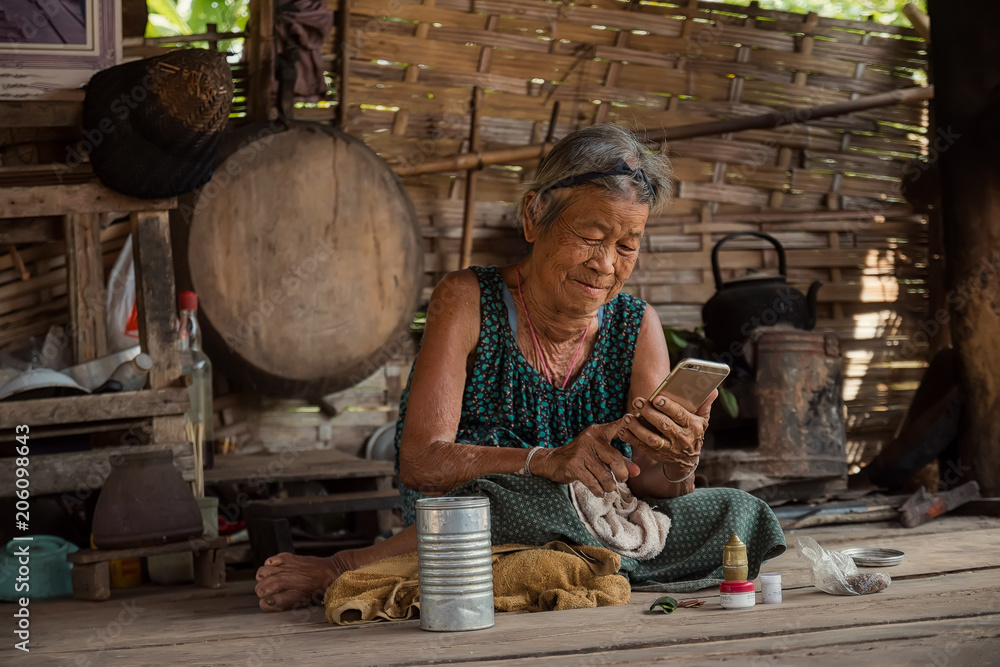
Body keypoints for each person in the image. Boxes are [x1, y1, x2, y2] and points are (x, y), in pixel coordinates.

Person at [255, 124, 784, 612]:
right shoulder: (466, 300)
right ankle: (344, 566)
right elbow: (420, 462)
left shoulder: (637, 324)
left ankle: (571, 567)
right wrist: (544, 462)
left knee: (739, 513)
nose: (606, 264)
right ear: (534, 216)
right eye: (591, 236)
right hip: (483, 517)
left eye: (627, 245)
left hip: (599, 527)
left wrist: (681, 461)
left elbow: (651, 492)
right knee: (503, 498)